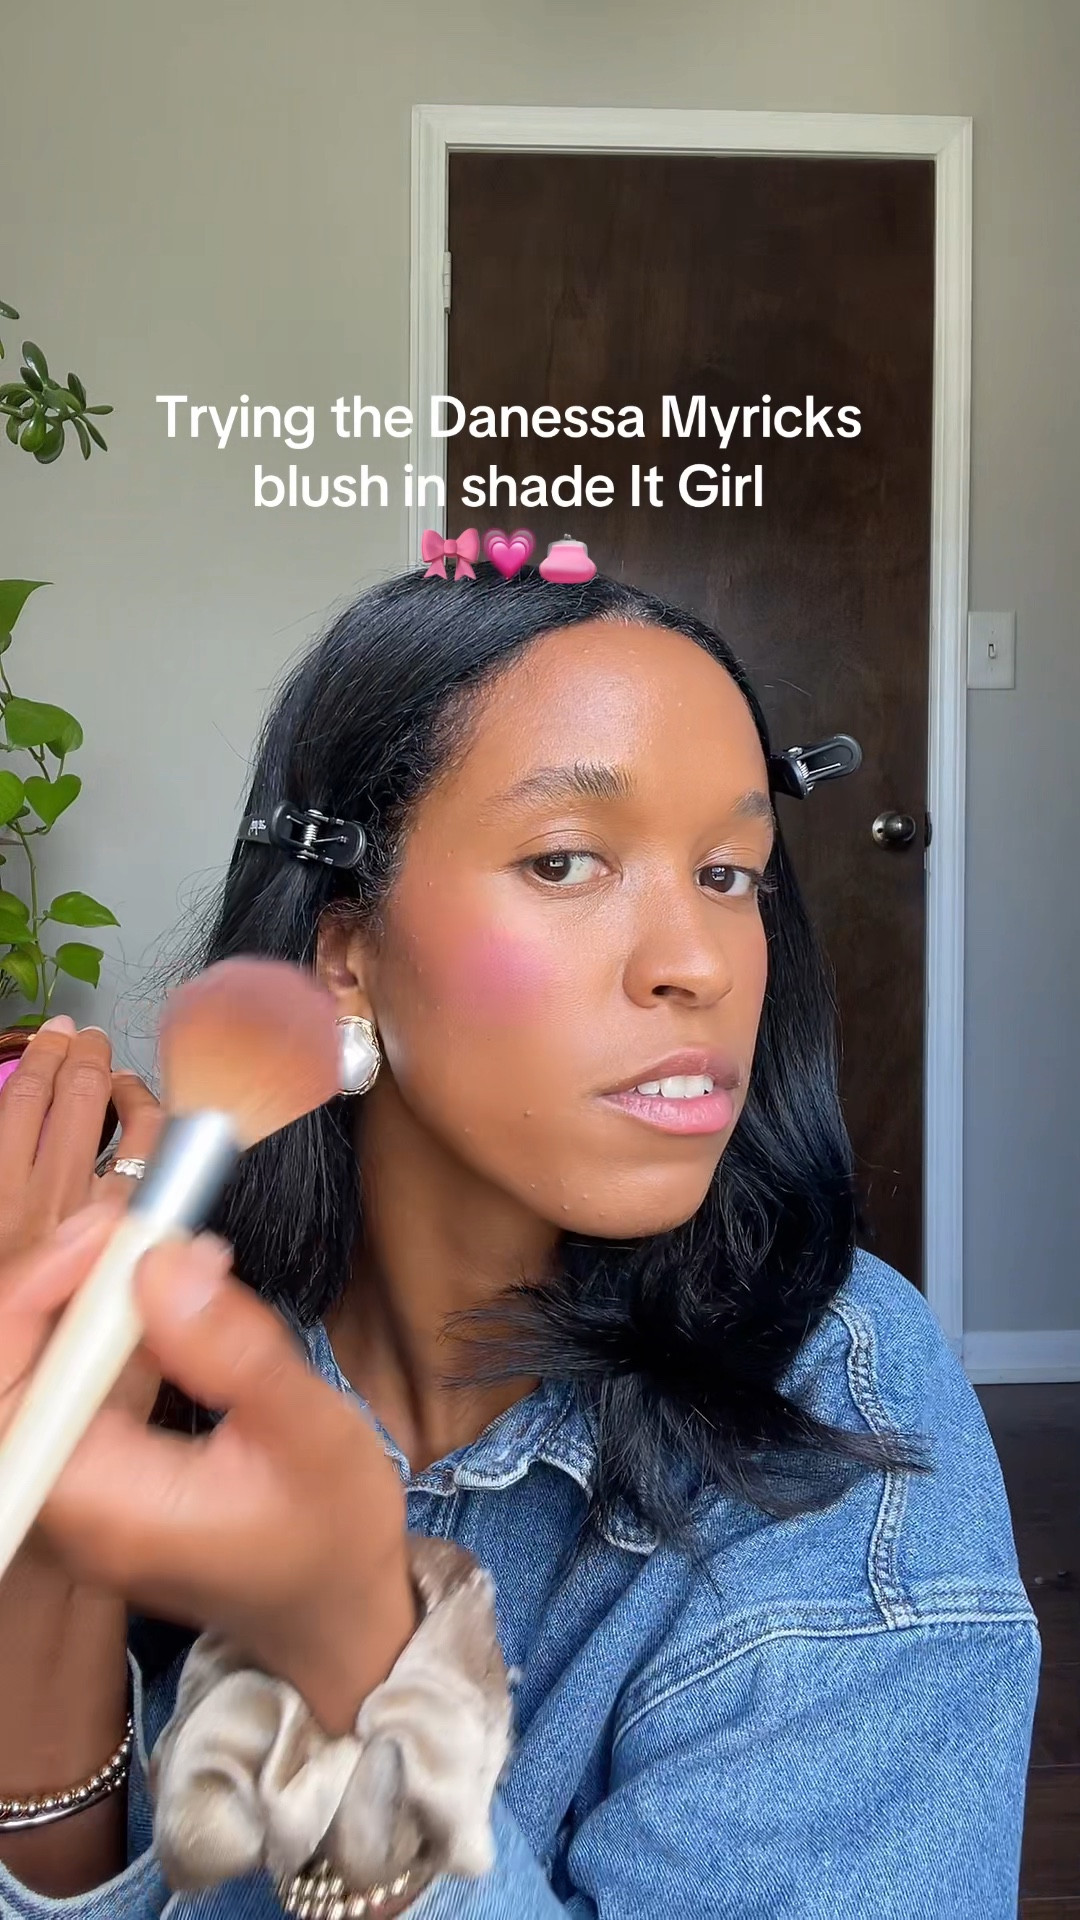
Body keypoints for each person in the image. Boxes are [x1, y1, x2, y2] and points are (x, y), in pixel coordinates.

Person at [0, 565, 1040, 1918]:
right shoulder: (156, 1327)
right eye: (565, 861)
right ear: (345, 953)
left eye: (730, 873)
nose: (700, 961)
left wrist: (359, 1660)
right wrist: (46, 1555)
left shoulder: (837, 1408)